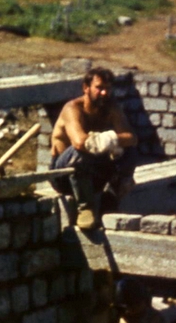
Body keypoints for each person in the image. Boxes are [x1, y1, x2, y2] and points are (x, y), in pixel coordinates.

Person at [50, 66, 137, 230]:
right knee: (79, 153)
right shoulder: (73, 109)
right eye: (99, 88)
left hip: (93, 172)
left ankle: (109, 200)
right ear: (86, 88)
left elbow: (131, 138)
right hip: (64, 175)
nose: (104, 93)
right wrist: (109, 141)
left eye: (108, 88)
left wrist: (110, 139)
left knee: (130, 152)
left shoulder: (111, 108)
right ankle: (85, 208)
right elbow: (79, 143)